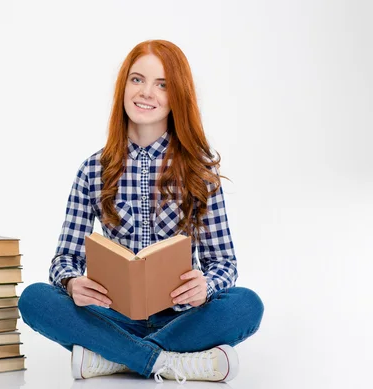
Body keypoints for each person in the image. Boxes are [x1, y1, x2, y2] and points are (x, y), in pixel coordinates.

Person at [18, 39, 264, 384]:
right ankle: (165, 361)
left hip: (182, 319)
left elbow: (224, 264)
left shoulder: (200, 172)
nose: (146, 92)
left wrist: (206, 285)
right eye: (137, 80)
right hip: (110, 317)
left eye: (161, 84)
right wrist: (73, 283)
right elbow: (63, 260)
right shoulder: (93, 170)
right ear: (123, 87)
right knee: (35, 299)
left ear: (177, 96)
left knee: (246, 304)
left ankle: (113, 358)